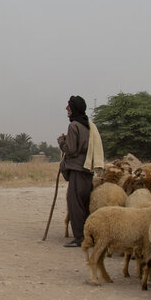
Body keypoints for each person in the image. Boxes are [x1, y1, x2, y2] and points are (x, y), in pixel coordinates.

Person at [58, 95, 93, 247]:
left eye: (69, 106)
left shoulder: (74, 126)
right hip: (87, 169)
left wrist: (61, 142)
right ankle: (89, 234)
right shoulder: (88, 125)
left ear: (74, 108)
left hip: (77, 169)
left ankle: (80, 237)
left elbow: (71, 149)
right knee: (85, 203)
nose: (67, 108)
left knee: (75, 204)